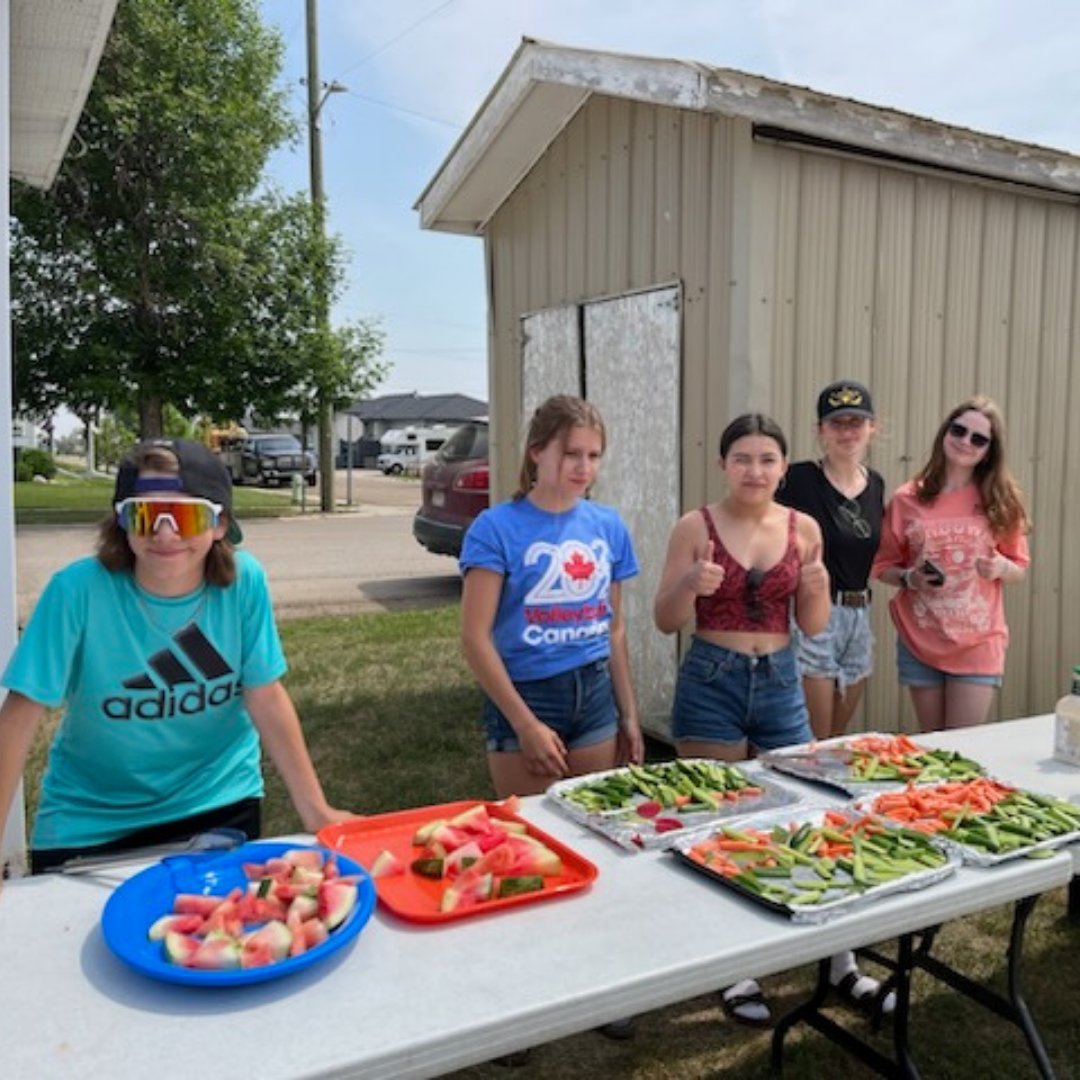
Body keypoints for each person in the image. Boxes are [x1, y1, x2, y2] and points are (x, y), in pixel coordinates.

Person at [0, 438, 353, 876]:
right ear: (122, 523)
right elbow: (20, 714)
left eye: (186, 516)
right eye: (145, 515)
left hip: (219, 802)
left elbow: (265, 694)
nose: (165, 534)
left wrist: (316, 811)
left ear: (220, 524)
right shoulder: (75, 592)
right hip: (90, 819)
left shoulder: (244, 582)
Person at [654, 413, 891, 1025]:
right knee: (717, 824)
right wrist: (689, 581)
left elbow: (811, 625)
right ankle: (736, 969)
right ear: (723, 465)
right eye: (743, 459)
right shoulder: (695, 525)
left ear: (784, 468)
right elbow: (664, 619)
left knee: (811, 814)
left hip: (782, 680)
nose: (754, 470)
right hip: (712, 680)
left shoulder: (804, 528)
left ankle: (841, 963)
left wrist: (814, 586)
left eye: (767, 460)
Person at [460, 395, 643, 1053]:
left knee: (590, 837)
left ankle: (591, 985)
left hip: (592, 692)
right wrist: (526, 724)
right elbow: (475, 640)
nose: (582, 467)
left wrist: (627, 713)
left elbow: (615, 628)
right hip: (524, 695)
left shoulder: (607, 526)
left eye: (593, 456)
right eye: (571, 453)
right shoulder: (497, 528)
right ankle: (517, 1004)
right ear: (537, 450)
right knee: (520, 846)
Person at [872, 396, 1030, 732]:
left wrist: (1002, 567)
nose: (965, 442)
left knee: (962, 745)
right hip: (921, 638)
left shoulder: (1000, 499)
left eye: (979, 439)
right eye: (959, 430)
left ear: (990, 450)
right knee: (935, 746)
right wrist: (910, 578)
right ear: (945, 433)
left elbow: (1020, 568)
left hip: (978, 641)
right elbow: (883, 566)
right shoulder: (907, 498)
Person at [777, 380, 885, 740]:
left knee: (838, 737)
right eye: (837, 423)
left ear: (872, 427)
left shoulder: (877, 485)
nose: (847, 432)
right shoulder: (796, 479)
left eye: (856, 422)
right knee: (813, 740)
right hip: (812, 614)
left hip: (859, 616)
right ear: (820, 430)